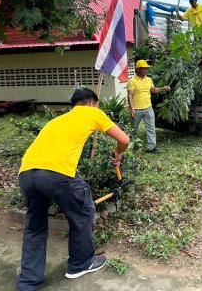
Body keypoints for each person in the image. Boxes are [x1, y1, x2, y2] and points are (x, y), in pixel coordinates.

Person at [16, 88, 130, 290]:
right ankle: (80, 264)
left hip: (26, 174)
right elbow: (124, 139)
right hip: (57, 175)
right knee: (84, 211)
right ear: (93, 103)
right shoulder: (92, 111)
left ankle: (28, 282)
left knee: (35, 227)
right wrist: (118, 154)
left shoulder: (58, 120)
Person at [127, 59, 170, 153]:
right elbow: (130, 95)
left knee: (151, 128)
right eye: (144, 68)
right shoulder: (132, 81)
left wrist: (163, 88)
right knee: (133, 130)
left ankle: (151, 148)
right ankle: (133, 146)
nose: (147, 70)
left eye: (147, 68)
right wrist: (132, 109)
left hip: (148, 108)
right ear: (138, 69)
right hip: (136, 110)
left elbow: (153, 90)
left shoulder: (149, 80)